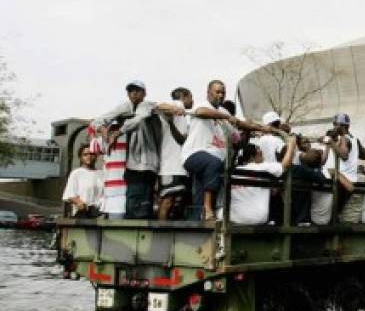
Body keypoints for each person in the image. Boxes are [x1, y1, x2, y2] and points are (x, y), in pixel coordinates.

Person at [92, 79, 183, 219]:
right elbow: (98, 120)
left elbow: (139, 118)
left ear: (144, 93)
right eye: (130, 91)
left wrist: (118, 132)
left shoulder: (145, 105)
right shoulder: (125, 107)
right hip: (133, 165)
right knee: (134, 201)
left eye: (137, 91)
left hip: (147, 162)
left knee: (142, 202)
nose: (133, 94)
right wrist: (102, 129)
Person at [181, 80, 271, 220]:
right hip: (194, 154)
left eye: (223, 92)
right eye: (217, 92)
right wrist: (226, 117)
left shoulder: (224, 112)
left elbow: (238, 138)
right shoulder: (203, 105)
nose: (221, 95)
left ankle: (199, 219)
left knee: (203, 188)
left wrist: (260, 128)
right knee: (214, 163)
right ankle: (208, 208)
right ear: (208, 92)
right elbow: (200, 112)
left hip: (214, 164)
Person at [221, 136, 296, 225]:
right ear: (252, 157)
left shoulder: (234, 171)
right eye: (259, 152)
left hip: (232, 216)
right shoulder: (261, 167)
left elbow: (273, 191)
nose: (262, 153)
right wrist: (291, 145)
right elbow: (285, 165)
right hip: (256, 217)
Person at [157, 87, 193, 220]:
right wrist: (175, 108)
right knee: (167, 201)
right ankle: (161, 230)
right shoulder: (178, 104)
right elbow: (160, 106)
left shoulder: (184, 115)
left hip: (176, 165)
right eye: (191, 97)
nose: (192, 100)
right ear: (184, 96)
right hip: (171, 165)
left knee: (172, 202)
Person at [62, 145, 104, 217]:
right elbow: (70, 195)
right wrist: (80, 203)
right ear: (80, 157)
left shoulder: (102, 174)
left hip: (100, 213)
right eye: (85, 154)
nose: (89, 156)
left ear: (96, 156)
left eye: (92, 154)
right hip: (83, 213)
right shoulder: (76, 173)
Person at [329, 113, 365, 182]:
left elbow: (344, 156)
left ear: (342, 127)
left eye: (335, 124)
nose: (333, 127)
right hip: (349, 179)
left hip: (342, 180)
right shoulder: (354, 140)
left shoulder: (343, 139)